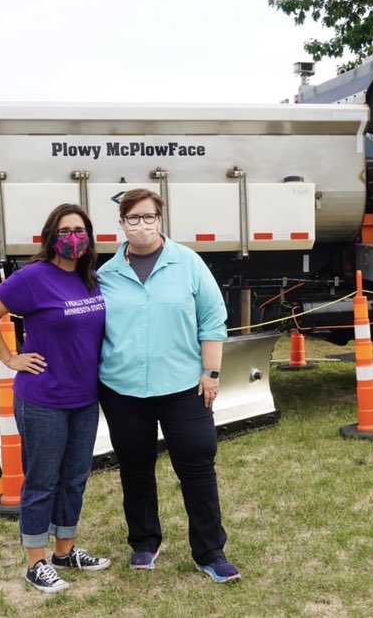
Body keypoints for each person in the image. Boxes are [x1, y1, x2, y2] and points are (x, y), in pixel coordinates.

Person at [97, 188, 241, 583]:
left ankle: (210, 552)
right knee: (135, 468)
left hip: (184, 387)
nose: (141, 225)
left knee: (197, 466)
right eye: (133, 218)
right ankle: (144, 542)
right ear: (121, 223)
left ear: (160, 220)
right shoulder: (106, 275)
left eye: (149, 217)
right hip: (123, 389)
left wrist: (211, 373)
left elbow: (212, 319)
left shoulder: (188, 263)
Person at [0, 203, 110, 593]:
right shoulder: (33, 277)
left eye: (79, 231)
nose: (73, 238)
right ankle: (36, 561)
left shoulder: (90, 278)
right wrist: (9, 357)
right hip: (43, 400)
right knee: (42, 481)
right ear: (50, 237)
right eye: (64, 231)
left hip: (84, 398)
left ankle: (65, 551)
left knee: (75, 478)